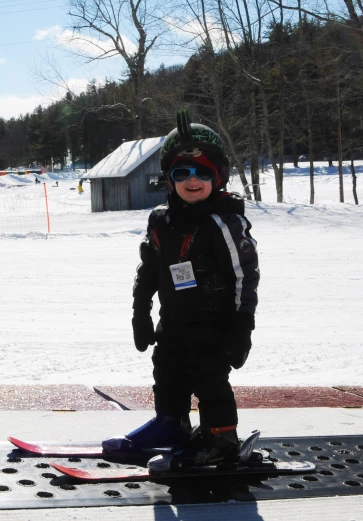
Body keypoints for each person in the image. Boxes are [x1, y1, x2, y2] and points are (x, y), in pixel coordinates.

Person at [102, 109, 259, 467]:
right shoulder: (161, 220)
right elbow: (149, 270)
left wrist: (241, 330)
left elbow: (244, 278)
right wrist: (140, 313)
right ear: (168, 178)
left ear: (218, 177)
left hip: (214, 325)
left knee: (209, 380)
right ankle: (171, 424)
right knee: (167, 373)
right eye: (181, 172)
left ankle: (221, 437)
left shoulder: (225, 222)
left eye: (203, 173)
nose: (192, 180)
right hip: (172, 321)